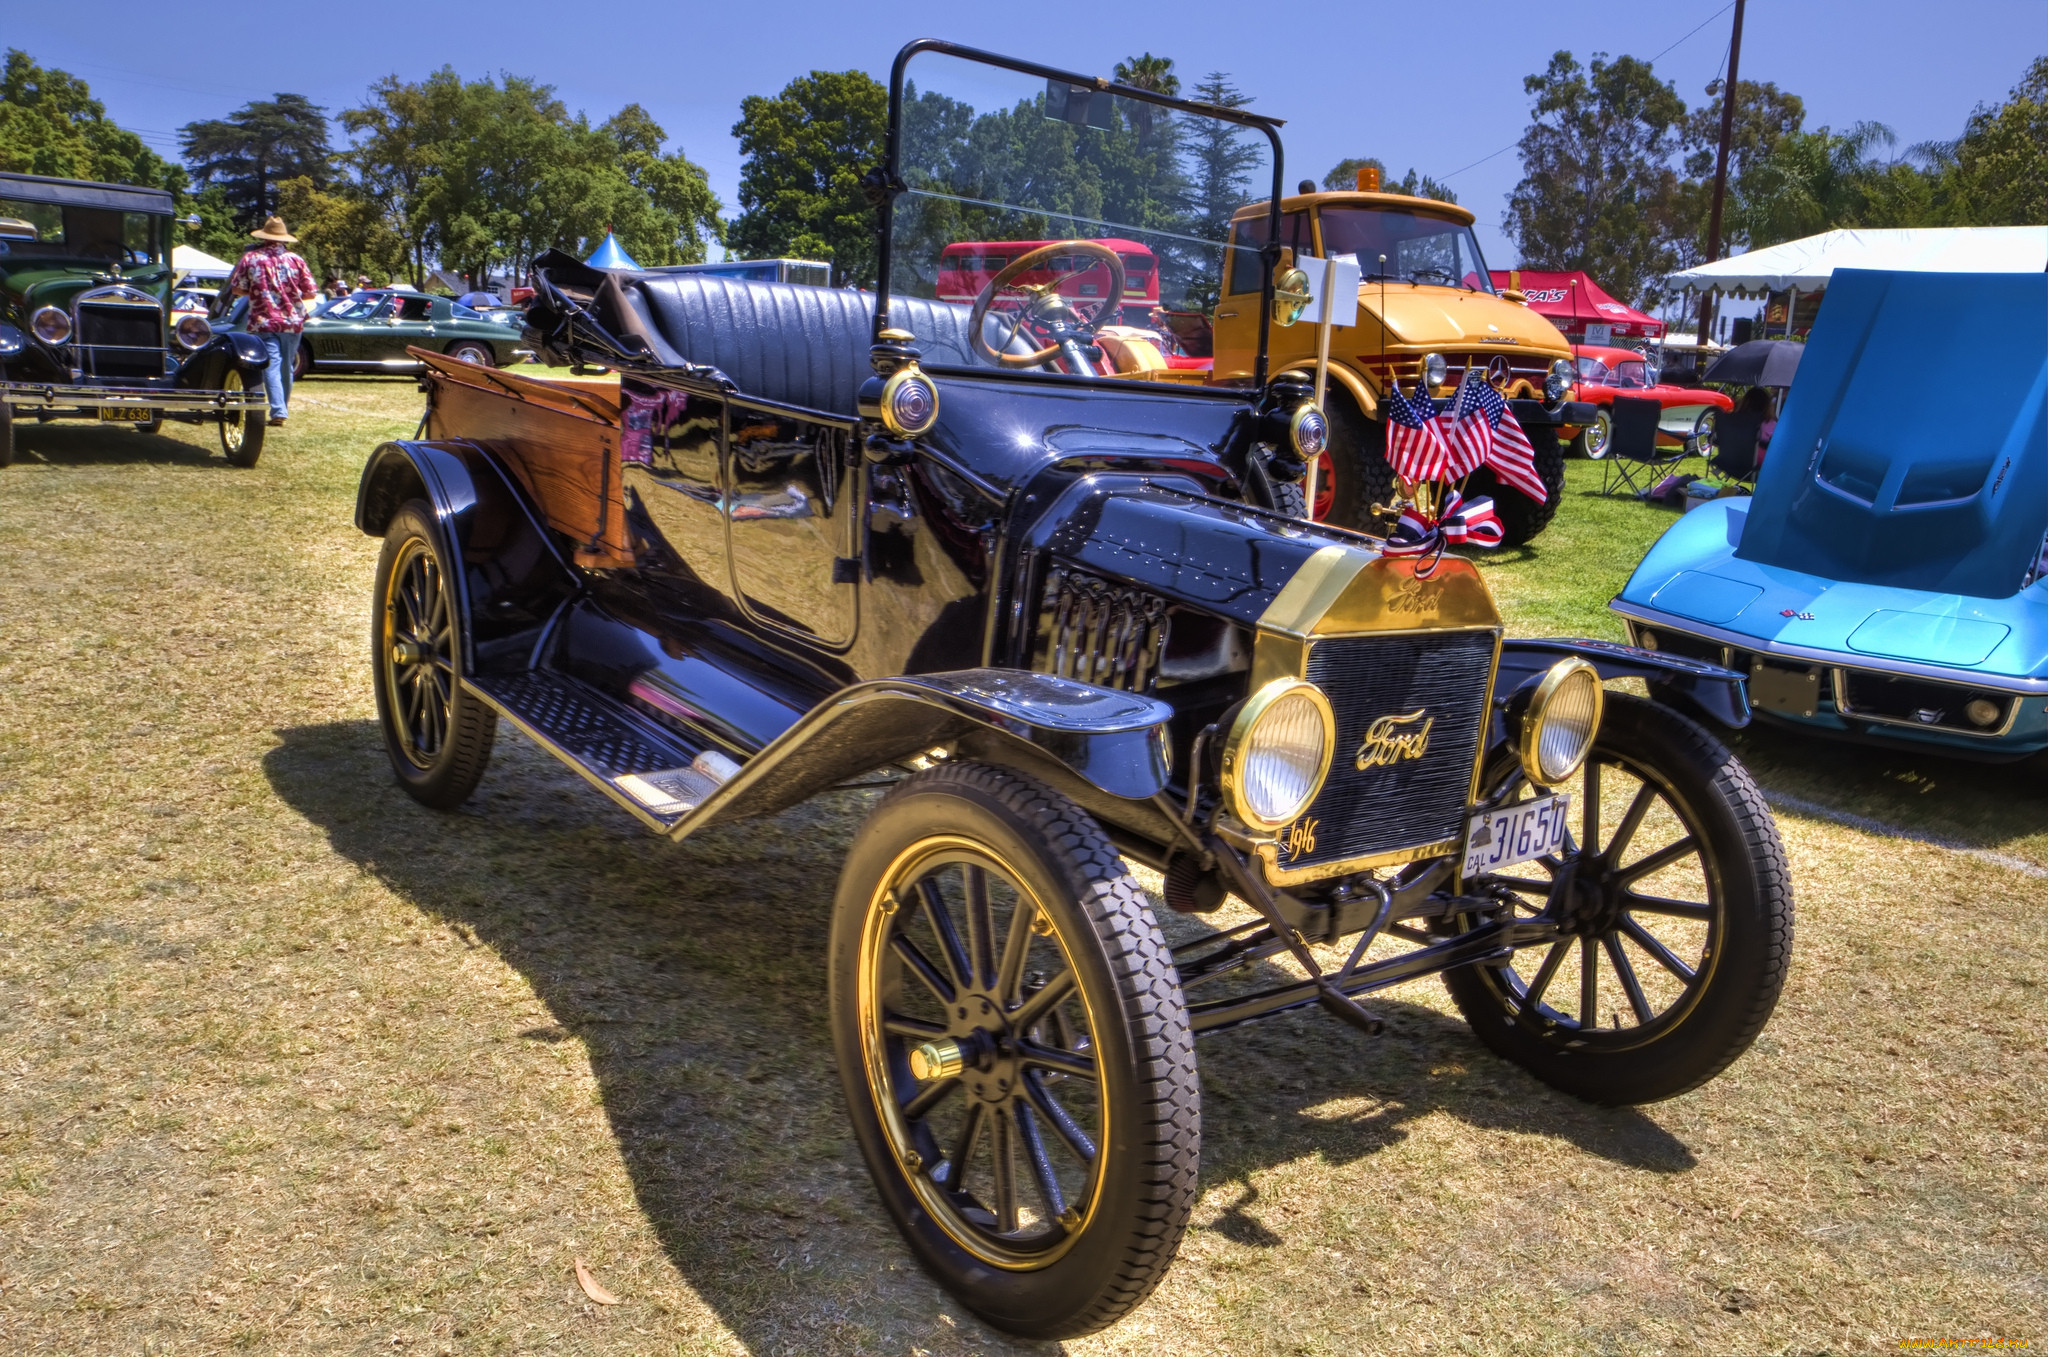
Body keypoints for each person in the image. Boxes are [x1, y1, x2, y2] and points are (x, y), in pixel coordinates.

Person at [225, 216, 318, 428]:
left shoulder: (251, 258)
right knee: (287, 366)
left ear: (264, 237)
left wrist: (259, 291)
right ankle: (281, 409)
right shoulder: (296, 260)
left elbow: (237, 288)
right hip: (293, 321)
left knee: (271, 366)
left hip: (264, 319)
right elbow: (311, 292)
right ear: (283, 238)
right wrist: (289, 295)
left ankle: (279, 410)